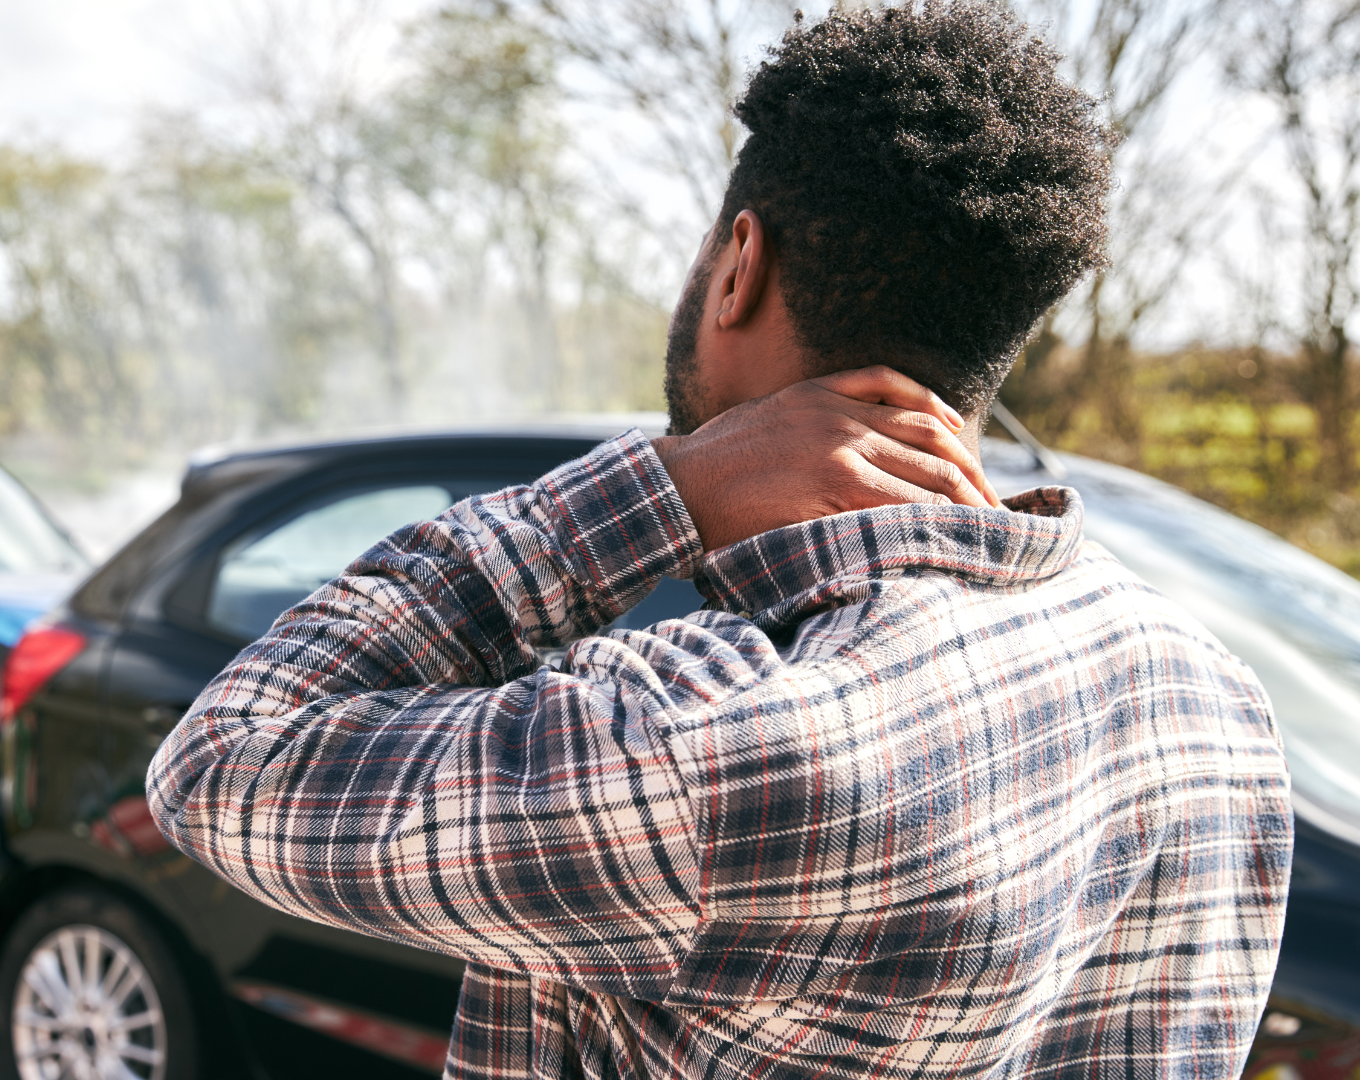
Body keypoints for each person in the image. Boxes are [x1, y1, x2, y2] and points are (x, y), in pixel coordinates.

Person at [147, 4, 1293, 1078]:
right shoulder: (1211, 700)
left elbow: (224, 762)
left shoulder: (703, 743)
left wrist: (666, 486)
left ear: (739, 264)